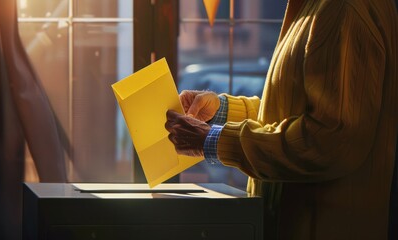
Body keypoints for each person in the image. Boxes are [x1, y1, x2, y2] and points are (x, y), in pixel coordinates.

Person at [165, 0, 398, 239]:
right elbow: (292, 114)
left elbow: (329, 141)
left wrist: (214, 140)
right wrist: (221, 112)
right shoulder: (317, 6)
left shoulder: (344, 9)